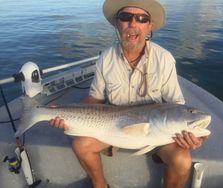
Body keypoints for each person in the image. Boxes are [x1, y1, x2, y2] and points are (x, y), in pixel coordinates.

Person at [50, 0, 208, 188]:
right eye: (125, 17)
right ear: (117, 23)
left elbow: (176, 107)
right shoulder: (105, 58)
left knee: (182, 160)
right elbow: (94, 100)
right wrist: (66, 114)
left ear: (149, 26)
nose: (133, 24)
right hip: (112, 130)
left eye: (142, 18)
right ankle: (100, 185)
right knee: (80, 144)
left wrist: (191, 134)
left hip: (158, 134)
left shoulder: (164, 59)